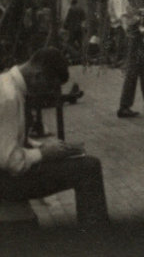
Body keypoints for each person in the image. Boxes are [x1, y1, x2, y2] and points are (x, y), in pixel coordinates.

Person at [0, 47, 109, 225]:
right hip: (4, 182)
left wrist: (41, 146)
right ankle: (96, 240)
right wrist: (44, 154)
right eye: (49, 87)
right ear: (38, 75)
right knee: (88, 168)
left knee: (79, 163)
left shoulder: (7, 84)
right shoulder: (9, 98)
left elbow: (6, 137)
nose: (47, 93)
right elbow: (11, 162)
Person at [115, 5, 144, 119]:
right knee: (132, 73)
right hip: (136, 36)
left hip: (137, 36)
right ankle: (124, 106)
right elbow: (131, 16)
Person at [106, 0, 131, 66]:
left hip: (118, 24)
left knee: (118, 44)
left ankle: (116, 61)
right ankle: (117, 61)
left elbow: (118, 13)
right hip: (119, 24)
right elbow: (120, 14)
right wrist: (125, 28)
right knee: (120, 44)